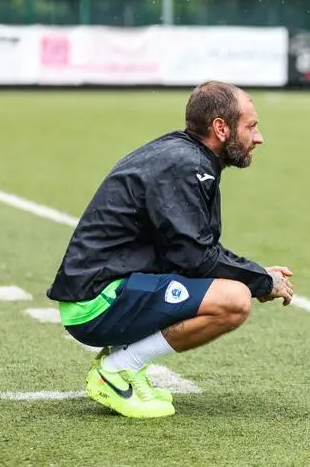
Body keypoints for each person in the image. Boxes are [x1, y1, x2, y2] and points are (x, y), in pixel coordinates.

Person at [45, 81, 294, 419]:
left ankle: (123, 363)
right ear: (221, 128)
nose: (258, 137)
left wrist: (255, 274)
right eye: (251, 126)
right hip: (95, 301)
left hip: (106, 286)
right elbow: (195, 257)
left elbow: (189, 253)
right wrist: (260, 281)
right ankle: (118, 368)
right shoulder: (184, 164)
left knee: (222, 284)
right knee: (234, 300)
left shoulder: (184, 156)